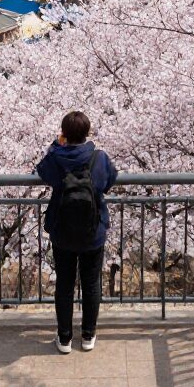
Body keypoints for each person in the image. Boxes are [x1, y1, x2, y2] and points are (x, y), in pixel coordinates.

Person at [36, 110, 118, 355]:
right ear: (87, 133)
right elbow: (109, 181)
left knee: (65, 284)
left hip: (63, 232)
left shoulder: (57, 159)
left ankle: (64, 338)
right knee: (91, 283)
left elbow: (42, 172)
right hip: (93, 232)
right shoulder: (99, 158)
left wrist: (54, 145)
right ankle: (88, 335)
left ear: (64, 134)